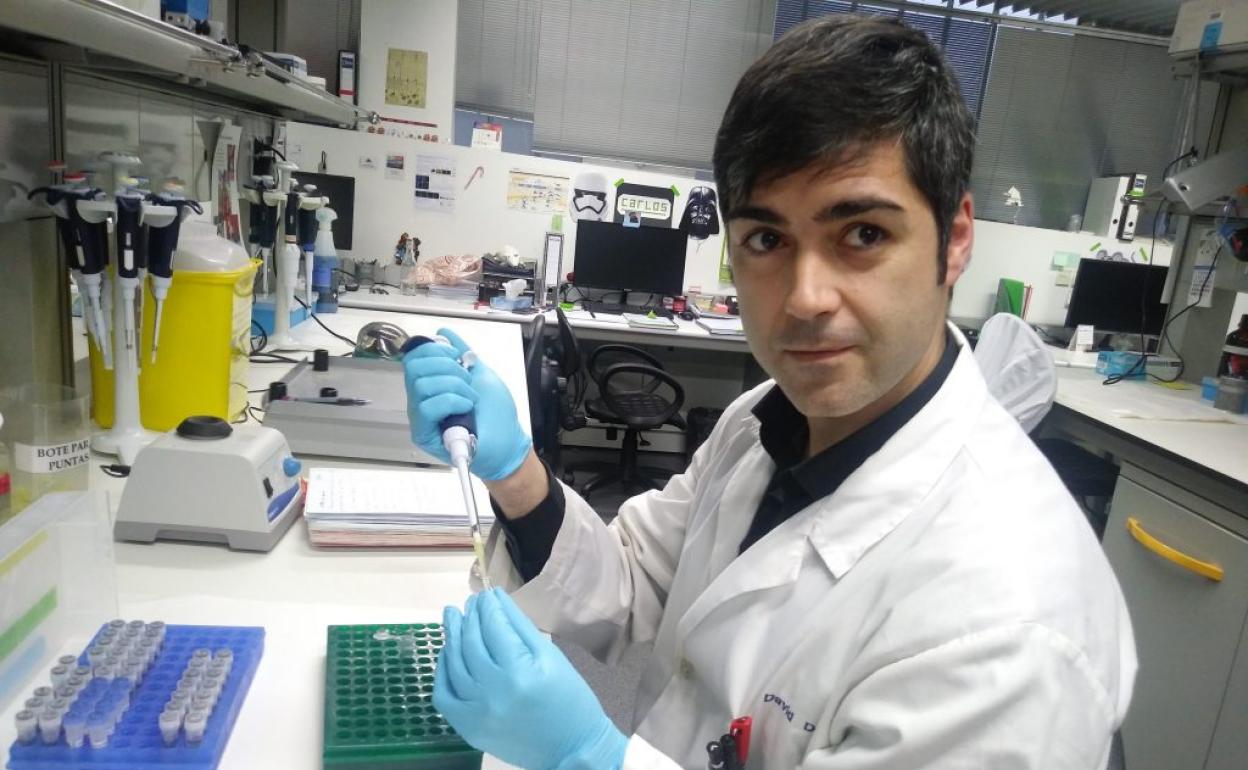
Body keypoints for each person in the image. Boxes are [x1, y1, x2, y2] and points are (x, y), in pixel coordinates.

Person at [403, 15, 1136, 770]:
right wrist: (515, 471)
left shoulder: (1012, 629)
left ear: (954, 240)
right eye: (767, 239)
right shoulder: (766, 422)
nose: (806, 298)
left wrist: (589, 757)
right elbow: (631, 584)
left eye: (863, 234)